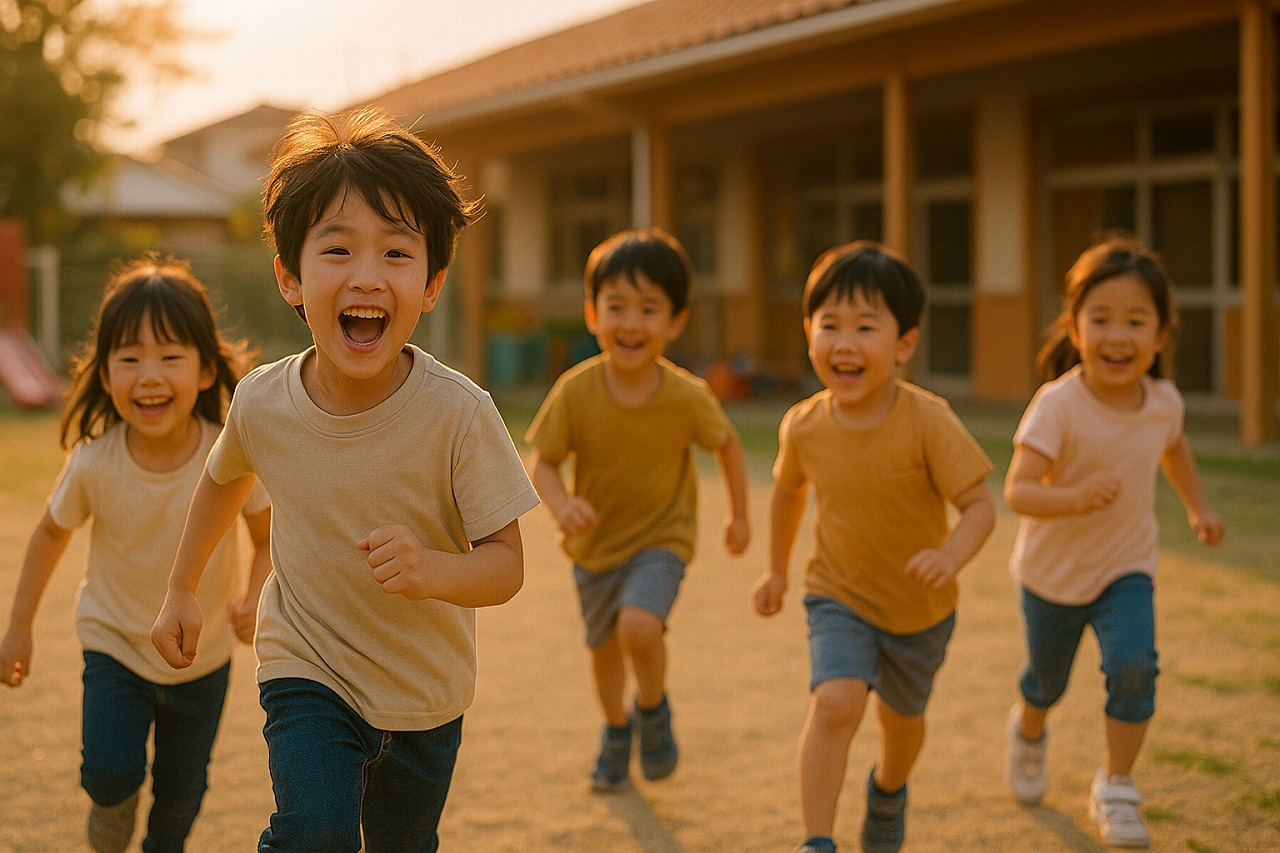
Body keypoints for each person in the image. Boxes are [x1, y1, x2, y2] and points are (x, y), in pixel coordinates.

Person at [150, 107, 540, 853]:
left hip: (425, 690)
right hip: (307, 662)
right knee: (315, 832)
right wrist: (180, 586)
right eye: (337, 250)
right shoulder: (263, 400)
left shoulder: (460, 414)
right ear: (290, 277)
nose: (367, 276)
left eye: (398, 253)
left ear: (431, 283)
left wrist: (435, 569)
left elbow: (507, 566)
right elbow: (224, 480)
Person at [1, 255, 271, 853]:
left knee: (182, 791)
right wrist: (19, 626)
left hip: (202, 660)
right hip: (114, 642)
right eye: (129, 359)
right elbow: (50, 533)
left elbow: (265, 535)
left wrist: (254, 593)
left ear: (205, 370)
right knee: (108, 771)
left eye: (171, 357)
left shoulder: (229, 457)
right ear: (104, 373)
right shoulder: (95, 460)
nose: (149, 375)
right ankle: (110, 813)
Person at [752, 241, 996, 853]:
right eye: (829, 325)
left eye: (866, 327)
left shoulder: (929, 420)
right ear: (809, 332)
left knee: (902, 726)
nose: (845, 342)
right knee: (836, 702)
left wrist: (949, 558)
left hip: (920, 610)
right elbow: (786, 497)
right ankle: (817, 840)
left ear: (904, 344)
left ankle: (888, 790)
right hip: (838, 595)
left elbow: (979, 507)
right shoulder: (803, 424)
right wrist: (777, 571)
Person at [1003, 236, 1224, 848]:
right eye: (1100, 319)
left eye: (1135, 320)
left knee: (1133, 668)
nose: (1117, 335)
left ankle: (1118, 786)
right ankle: (1027, 730)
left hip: (1126, 567)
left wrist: (1198, 508)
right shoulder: (1057, 405)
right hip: (1052, 575)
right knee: (1047, 681)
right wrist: (1071, 498)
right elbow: (1017, 491)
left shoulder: (1163, 402)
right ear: (1075, 328)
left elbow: (1174, 448)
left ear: (1160, 334)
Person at [525, 228, 751, 792]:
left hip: (661, 541)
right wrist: (561, 506)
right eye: (617, 307)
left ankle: (653, 711)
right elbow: (544, 462)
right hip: (594, 548)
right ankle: (616, 729)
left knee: (639, 626)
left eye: (649, 309)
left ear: (675, 321)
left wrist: (740, 516)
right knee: (603, 652)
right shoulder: (575, 392)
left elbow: (726, 442)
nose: (631, 323)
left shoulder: (687, 395)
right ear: (592, 314)